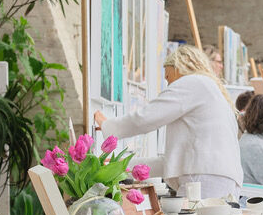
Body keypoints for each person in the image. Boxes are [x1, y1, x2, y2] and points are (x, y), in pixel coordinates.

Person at [94, 44, 242, 199]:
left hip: (203, 181)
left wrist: (107, 126)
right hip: (222, 181)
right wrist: (122, 165)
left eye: (168, 77)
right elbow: (170, 161)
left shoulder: (192, 83)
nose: (169, 84)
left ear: (178, 68)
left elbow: (147, 118)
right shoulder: (211, 91)